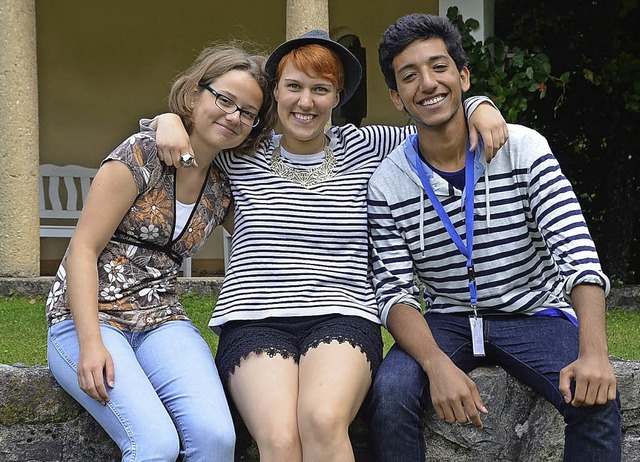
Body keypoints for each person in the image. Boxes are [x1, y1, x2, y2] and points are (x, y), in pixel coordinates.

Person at [148, 29, 507, 462]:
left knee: (321, 420)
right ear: (274, 92)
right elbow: (189, 131)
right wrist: (164, 120)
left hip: (344, 312)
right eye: (293, 87)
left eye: (321, 89)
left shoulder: (367, 145)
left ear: (337, 97)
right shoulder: (241, 151)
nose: (306, 101)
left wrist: (477, 105)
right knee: (279, 441)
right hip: (254, 318)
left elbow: (433, 115)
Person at [366, 13, 622, 461]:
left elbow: (576, 252)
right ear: (397, 96)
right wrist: (435, 364)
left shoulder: (523, 148)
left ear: (463, 77)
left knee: (596, 397)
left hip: (534, 314)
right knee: (389, 396)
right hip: (445, 320)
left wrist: (595, 351)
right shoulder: (388, 182)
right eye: (410, 76)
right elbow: (395, 293)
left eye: (439, 67)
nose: (427, 83)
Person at [45, 43, 277, 462]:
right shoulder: (143, 153)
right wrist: (90, 343)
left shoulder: (223, 185)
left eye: (247, 112)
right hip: (89, 318)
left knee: (216, 439)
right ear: (193, 96)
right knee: (154, 444)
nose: (233, 116)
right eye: (224, 99)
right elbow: (83, 247)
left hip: (161, 319)